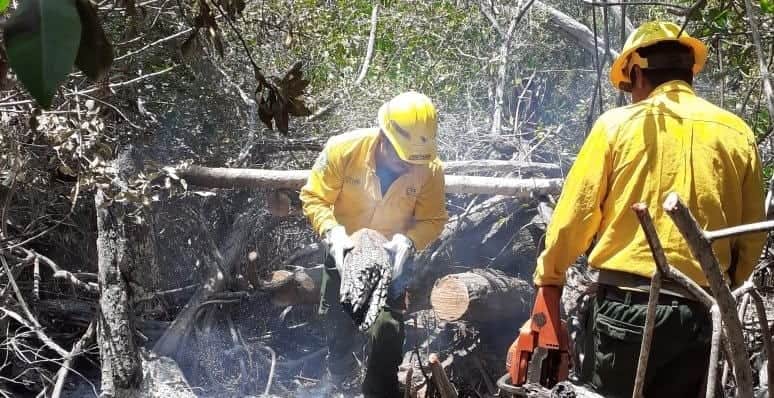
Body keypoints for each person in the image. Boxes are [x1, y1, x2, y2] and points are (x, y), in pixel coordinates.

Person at [531, 21, 766, 397]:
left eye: (628, 86)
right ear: (689, 72)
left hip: (627, 312)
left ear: (637, 73)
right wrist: (723, 286)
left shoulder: (615, 126)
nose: (629, 97)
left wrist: (549, 282)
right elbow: (752, 235)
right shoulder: (737, 132)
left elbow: (573, 218)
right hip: (701, 314)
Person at [300, 91, 448, 397]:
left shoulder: (429, 169)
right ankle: (338, 374)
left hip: (390, 259)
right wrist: (332, 232)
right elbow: (314, 197)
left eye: (412, 161)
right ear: (383, 135)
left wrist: (409, 241)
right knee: (336, 319)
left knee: (388, 330)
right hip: (343, 250)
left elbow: (433, 219)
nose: (406, 165)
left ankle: (379, 391)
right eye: (400, 157)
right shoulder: (343, 149)